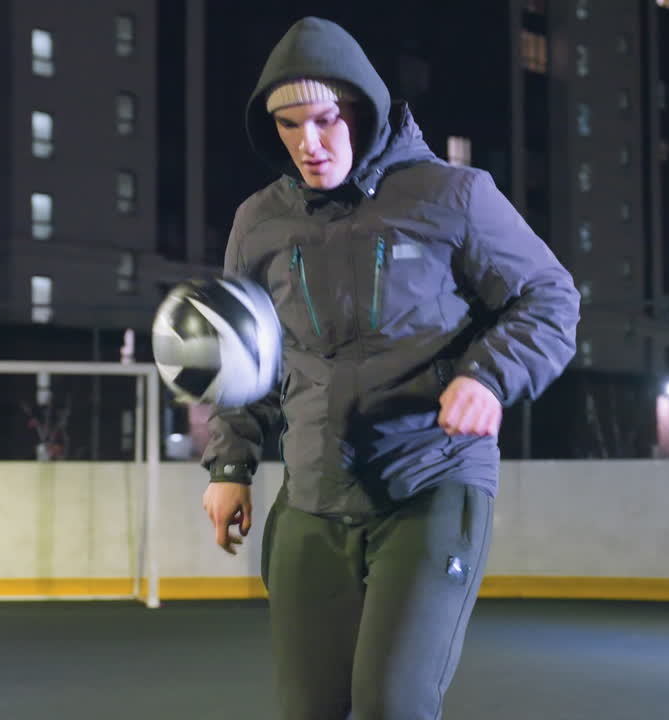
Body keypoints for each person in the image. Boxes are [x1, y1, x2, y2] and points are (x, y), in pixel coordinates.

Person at [200, 16, 580, 720]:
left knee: (392, 705)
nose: (308, 145)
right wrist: (231, 467)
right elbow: (243, 357)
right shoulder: (258, 222)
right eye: (289, 126)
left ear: (362, 110)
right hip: (312, 496)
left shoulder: (452, 195)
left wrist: (487, 375)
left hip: (429, 485)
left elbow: (550, 299)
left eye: (324, 120)